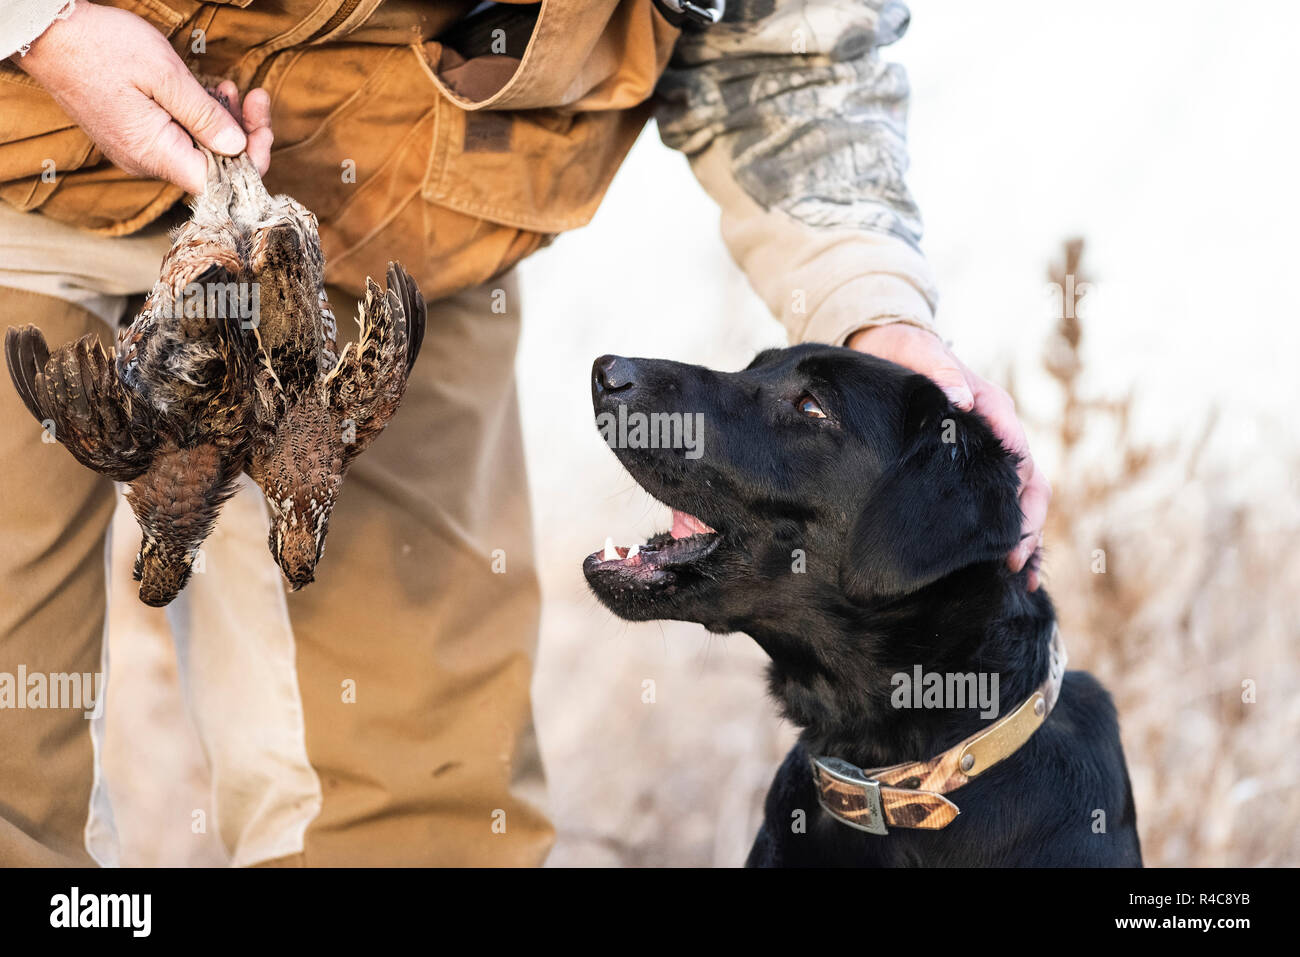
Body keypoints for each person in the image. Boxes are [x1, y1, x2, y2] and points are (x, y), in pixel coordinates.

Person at [0, 0, 1049, 866]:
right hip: (22, 180)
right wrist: (41, 25)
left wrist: (874, 311)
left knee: (418, 818)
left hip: (386, 250)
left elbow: (791, 48)